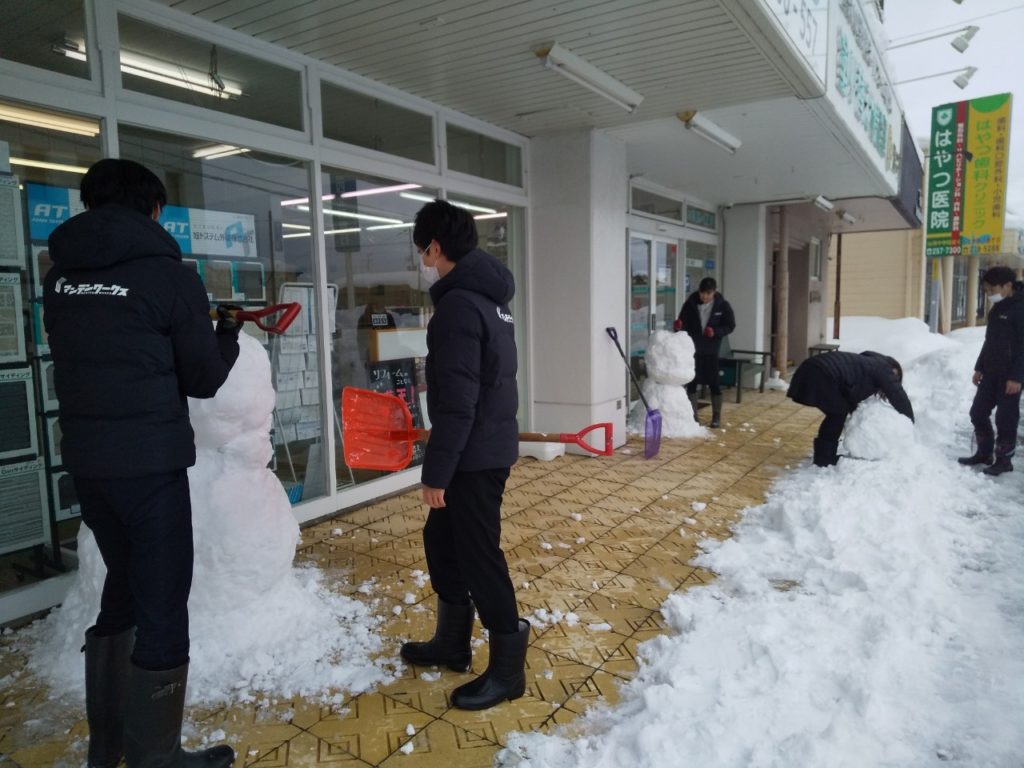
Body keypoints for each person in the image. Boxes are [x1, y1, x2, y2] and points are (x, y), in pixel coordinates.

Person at [44, 159, 239, 767]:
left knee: (123, 589)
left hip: (89, 464)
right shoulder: (168, 276)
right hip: (150, 468)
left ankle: (108, 747)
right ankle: (156, 757)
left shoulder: (61, 277)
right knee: (161, 603)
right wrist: (226, 334)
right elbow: (203, 377)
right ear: (152, 209)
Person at [400, 199, 529, 711]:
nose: (421, 259)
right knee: (442, 540)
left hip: (473, 456)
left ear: (435, 247)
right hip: (483, 447)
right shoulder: (489, 301)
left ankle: (507, 671)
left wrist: (436, 473)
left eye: (421, 250)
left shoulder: (457, 306)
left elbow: (457, 402)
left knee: (478, 554)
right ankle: (452, 642)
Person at [787, 350, 914, 467]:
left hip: (810, 369)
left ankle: (824, 456)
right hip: (820, 373)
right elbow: (898, 396)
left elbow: (848, 393)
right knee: (837, 414)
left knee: (837, 413)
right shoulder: (882, 367)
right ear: (890, 366)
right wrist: (910, 422)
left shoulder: (866, 366)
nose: (893, 379)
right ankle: (824, 458)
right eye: (894, 376)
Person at [958, 266, 1024, 475]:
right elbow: (989, 342)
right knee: (977, 412)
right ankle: (984, 452)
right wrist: (979, 367)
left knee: (1005, 418)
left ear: (1007, 286)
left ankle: (1004, 459)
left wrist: (1016, 377)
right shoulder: (997, 310)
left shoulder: (1020, 309)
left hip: (1010, 376)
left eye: (991, 289)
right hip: (991, 372)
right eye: (986, 290)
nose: (989, 294)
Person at [676, 276, 735, 427]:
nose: (704, 297)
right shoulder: (690, 303)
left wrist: (715, 332)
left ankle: (716, 417)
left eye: (708, 294)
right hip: (693, 349)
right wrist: (679, 326)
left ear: (714, 292)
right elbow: (682, 321)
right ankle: (693, 416)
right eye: (702, 293)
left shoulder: (722, 306)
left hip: (711, 350)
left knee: (714, 383)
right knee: (692, 382)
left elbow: (730, 325)